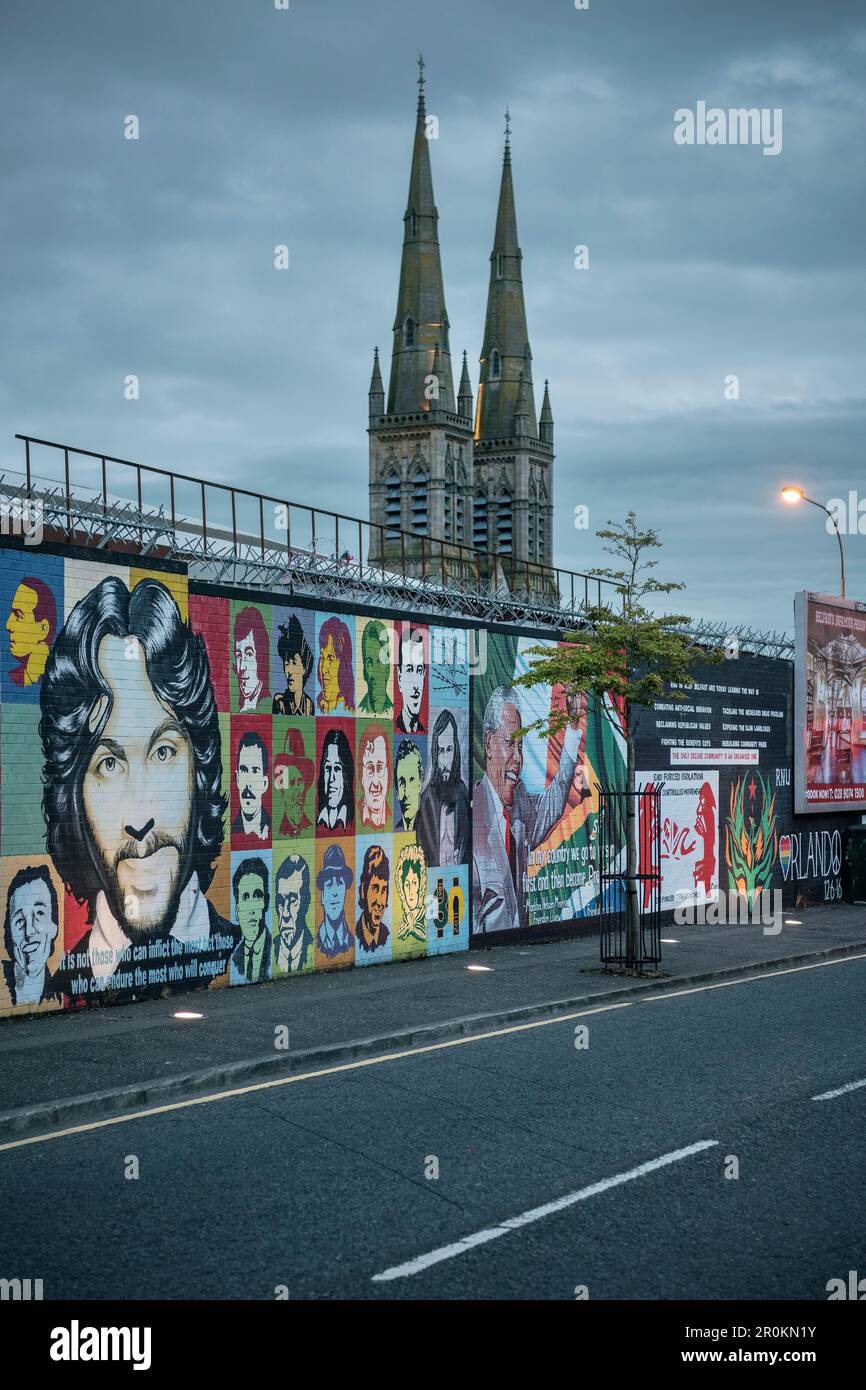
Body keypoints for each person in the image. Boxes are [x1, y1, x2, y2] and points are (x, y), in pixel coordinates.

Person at [39, 574, 237, 995]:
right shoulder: (60, 992)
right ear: (74, 798)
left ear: (199, 773)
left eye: (163, 752)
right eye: (108, 765)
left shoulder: (242, 952)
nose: (141, 819)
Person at [472, 684, 584, 934]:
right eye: (510, 744)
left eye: (521, 746)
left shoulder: (519, 803)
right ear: (489, 744)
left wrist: (573, 727)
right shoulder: (470, 813)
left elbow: (553, 804)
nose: (518, 757)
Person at [2, 865, 61, 1007]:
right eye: (19, 920)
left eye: (40, 913)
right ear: (9, 932)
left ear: (54, 927)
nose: (29, 932)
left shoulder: (60, 996)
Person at [417, 710, 469, 867]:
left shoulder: (463, 794)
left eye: (449, 750)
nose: (445, 761)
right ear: (435, 753)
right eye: (440, 751)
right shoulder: (427, 799)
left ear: (456, 751)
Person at [6, 576, 56, 687]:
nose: (8, 625)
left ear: (43, 629)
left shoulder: (60, 681)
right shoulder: (13, 678)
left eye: (18, 616)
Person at [230, 857, 271, 984]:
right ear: (237, 909)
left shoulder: (275, 948)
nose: (251, 909)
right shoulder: (235, 958)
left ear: (266, 903)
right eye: (245, 897)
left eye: (257, 896)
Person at [272, 854, 314, 974]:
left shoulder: (313, 945)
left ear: (306, 902)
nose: (285, 914)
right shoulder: (271, 947)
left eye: (292, 900)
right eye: (280, 901)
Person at [315, 843, 353, 963]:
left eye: (340, 883)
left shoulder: (351, 940)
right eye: (329, 884)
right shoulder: (316, 941)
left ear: (345, 893)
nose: (335, 893)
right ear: (322, 896)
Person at [273, 728, 314, 837]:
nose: (297, 791)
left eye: (300, 782)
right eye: (291, 783)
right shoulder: (280, 831)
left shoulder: (309, 827)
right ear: (282, 790)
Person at [231, 731, 270, 842]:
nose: (248, 782)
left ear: (264, 784)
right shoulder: (231, 830)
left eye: (255, 771)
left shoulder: (271, 826)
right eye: (244, 770)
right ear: (237, 779)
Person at [272, 616, 314, 716]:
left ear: (305, 667)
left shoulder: (309, 705)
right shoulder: (280, 702)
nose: (289, 671)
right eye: (286, 664)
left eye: (294, 662)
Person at [316, 728, 354, 832]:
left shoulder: (351, 821)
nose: (331, 779)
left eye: (337, 769)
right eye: (328, 768)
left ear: (346, 774)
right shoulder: (318, 820)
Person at [234, 606, 269, 713]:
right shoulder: (240, 707)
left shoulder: (267, 702)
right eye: (239, 656)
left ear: (261, 657)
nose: (242, 667)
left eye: (249, 654)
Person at [356, 845, 390, 953]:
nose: (380, 902)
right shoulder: (356, 933)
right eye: (375, 889)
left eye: (383, 890)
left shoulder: (386, 935)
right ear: (363, 891)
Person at [317, 616, 354, 714]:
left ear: (343, 664)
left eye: (330, 658)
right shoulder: (316, 705)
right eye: (321, 658)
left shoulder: (350, 709)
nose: (323, 669)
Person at [358, 723, 390, 830]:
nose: (376, 783)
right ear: (362, 776)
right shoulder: (356, 815)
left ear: (387, 772)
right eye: (370, 769)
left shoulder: (391, 817)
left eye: (380, 768)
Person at [395, 625, 426, 734]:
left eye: (419, 671)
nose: (415, 685)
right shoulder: (396, 727)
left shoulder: (423, 730)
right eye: (409, 670)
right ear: (399, 677)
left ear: (424, 675)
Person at [357, 619, 393, 715]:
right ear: (364, 670)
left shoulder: (393, 711)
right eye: (369, 663)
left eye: (379, 662)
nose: (373, 674)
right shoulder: (359, 710)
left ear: (387, 669)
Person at [395, 842, 427, 943]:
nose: (410, 891)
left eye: (414, 883)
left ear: (421, 884)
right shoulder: (403, 925)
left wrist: (412, 928)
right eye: (407, 884)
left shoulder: (425, 918)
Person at [394, 739, 423, 832]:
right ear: (397, 791)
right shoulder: (397, 829)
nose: (406, 793)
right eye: (402, 782)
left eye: (411, 780)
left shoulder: (428, 829)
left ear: (420, 784)